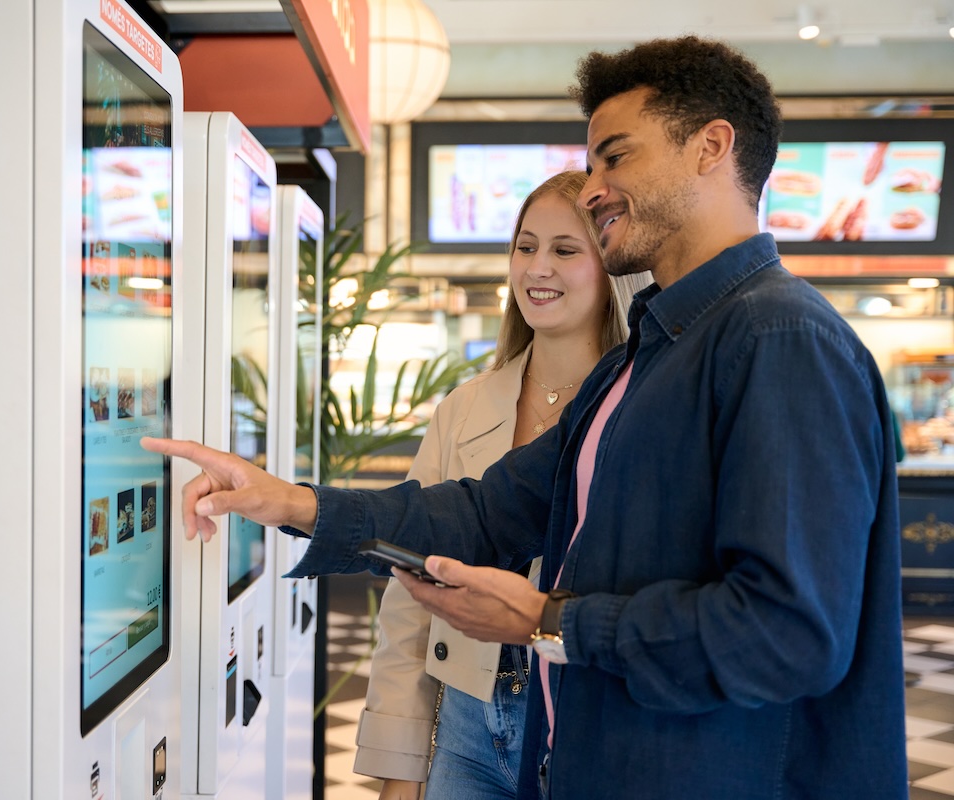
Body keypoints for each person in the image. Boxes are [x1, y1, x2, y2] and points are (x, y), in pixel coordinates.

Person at [143, 35, 907, 799]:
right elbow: (486, 512)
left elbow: (788, 635)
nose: (596, 185)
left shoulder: (779, 340)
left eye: (616, 157)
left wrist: (551, 620)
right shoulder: (643, 358)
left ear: (711, 147)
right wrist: (290, 501)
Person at [360, 171, 647, 800]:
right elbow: (409, 598)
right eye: (525, 246)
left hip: (591, 723)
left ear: (612, 269)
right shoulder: (463, 409)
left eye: (566, 250)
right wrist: (400, 770)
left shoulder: (645, 406)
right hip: (465, 727)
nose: (538, 268)